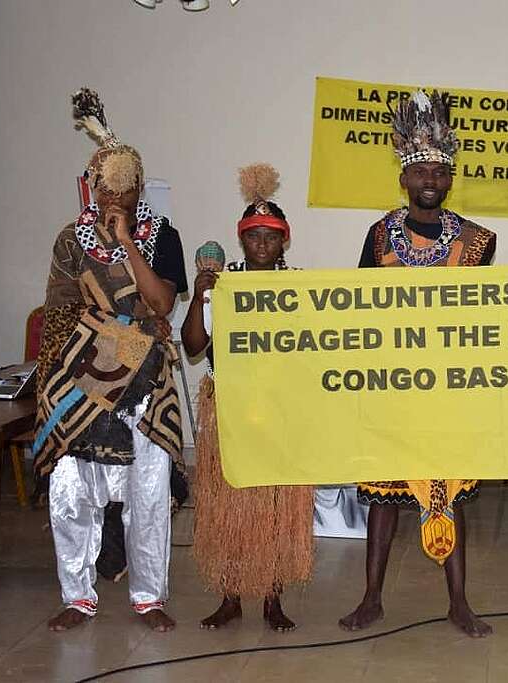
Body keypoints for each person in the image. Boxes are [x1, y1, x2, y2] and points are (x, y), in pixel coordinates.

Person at [339, 90, 496, 638]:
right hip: (390, 384)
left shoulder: (479, 242)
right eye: (419, 168)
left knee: (447, 490)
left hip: (449, 388)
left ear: (450, 179)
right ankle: (371, 598)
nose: (430, 176)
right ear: (404, 178)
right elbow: (358, 306)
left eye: (439, 169)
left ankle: (459, 602)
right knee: (384, 496)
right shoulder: (379, 235)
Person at [34, 89, 188, 632]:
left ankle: (148, 597)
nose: (117, 195)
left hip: (145, 384)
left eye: (128, 187)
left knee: (147, 494)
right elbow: (58, 318)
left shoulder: (163, 236)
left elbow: (162, 303)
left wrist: (127, 242)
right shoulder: (68, 244)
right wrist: (109, 342)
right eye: (107, 186)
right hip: (83, 382)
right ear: (92, 186)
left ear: (141, 188)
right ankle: (78, 596)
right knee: (72, 493)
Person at [182, 164, 315, 631]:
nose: (261, 244)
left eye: (270, 236)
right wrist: (200, 298)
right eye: (253, 236)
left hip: (279, 409)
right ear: (241, 240)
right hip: (228, 408)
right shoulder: (223, 285)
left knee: (276, 504)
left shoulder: (299, 286)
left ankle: (274, 598)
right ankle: (230, 595)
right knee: (229, 503)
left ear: (285, 241)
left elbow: (313, 351)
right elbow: (195, 347)